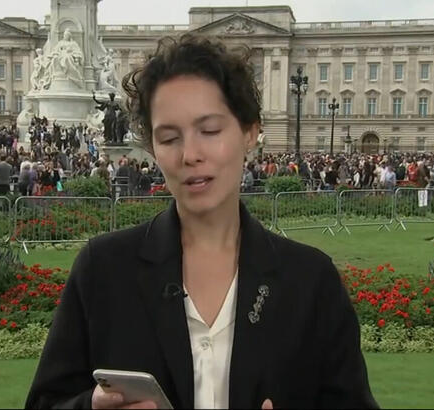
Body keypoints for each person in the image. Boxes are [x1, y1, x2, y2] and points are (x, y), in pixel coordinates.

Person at [25, 34, 378, 410]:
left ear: (250, 133)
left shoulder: (311, 281)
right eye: (169, 138)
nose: (190, 154)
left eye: (209, 131)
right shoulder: (102, 270)